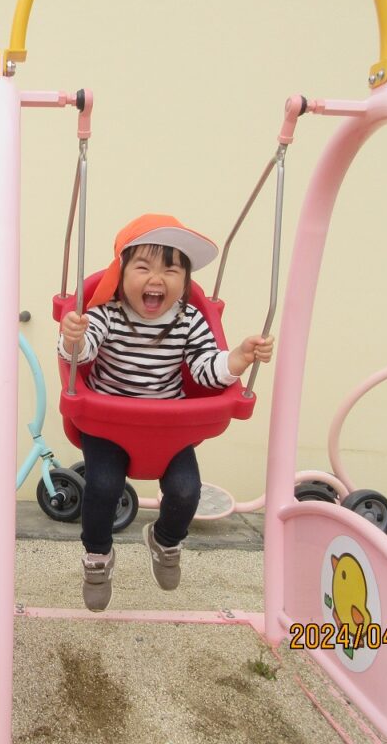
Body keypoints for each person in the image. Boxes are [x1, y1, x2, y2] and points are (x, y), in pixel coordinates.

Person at [58, 213, 274, 611]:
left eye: (171, 270)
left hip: (167, 429)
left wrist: (239, 358)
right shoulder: (106, 313)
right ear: (121, 274)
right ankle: (98, 556)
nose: (157, 278)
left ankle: (165, 541)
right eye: (143, 267)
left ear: (185, 281)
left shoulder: (189, 320)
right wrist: (73, 339)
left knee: (186, 490)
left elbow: (205, 369)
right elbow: (81, 356)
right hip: (109, 425)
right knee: (103, 487)